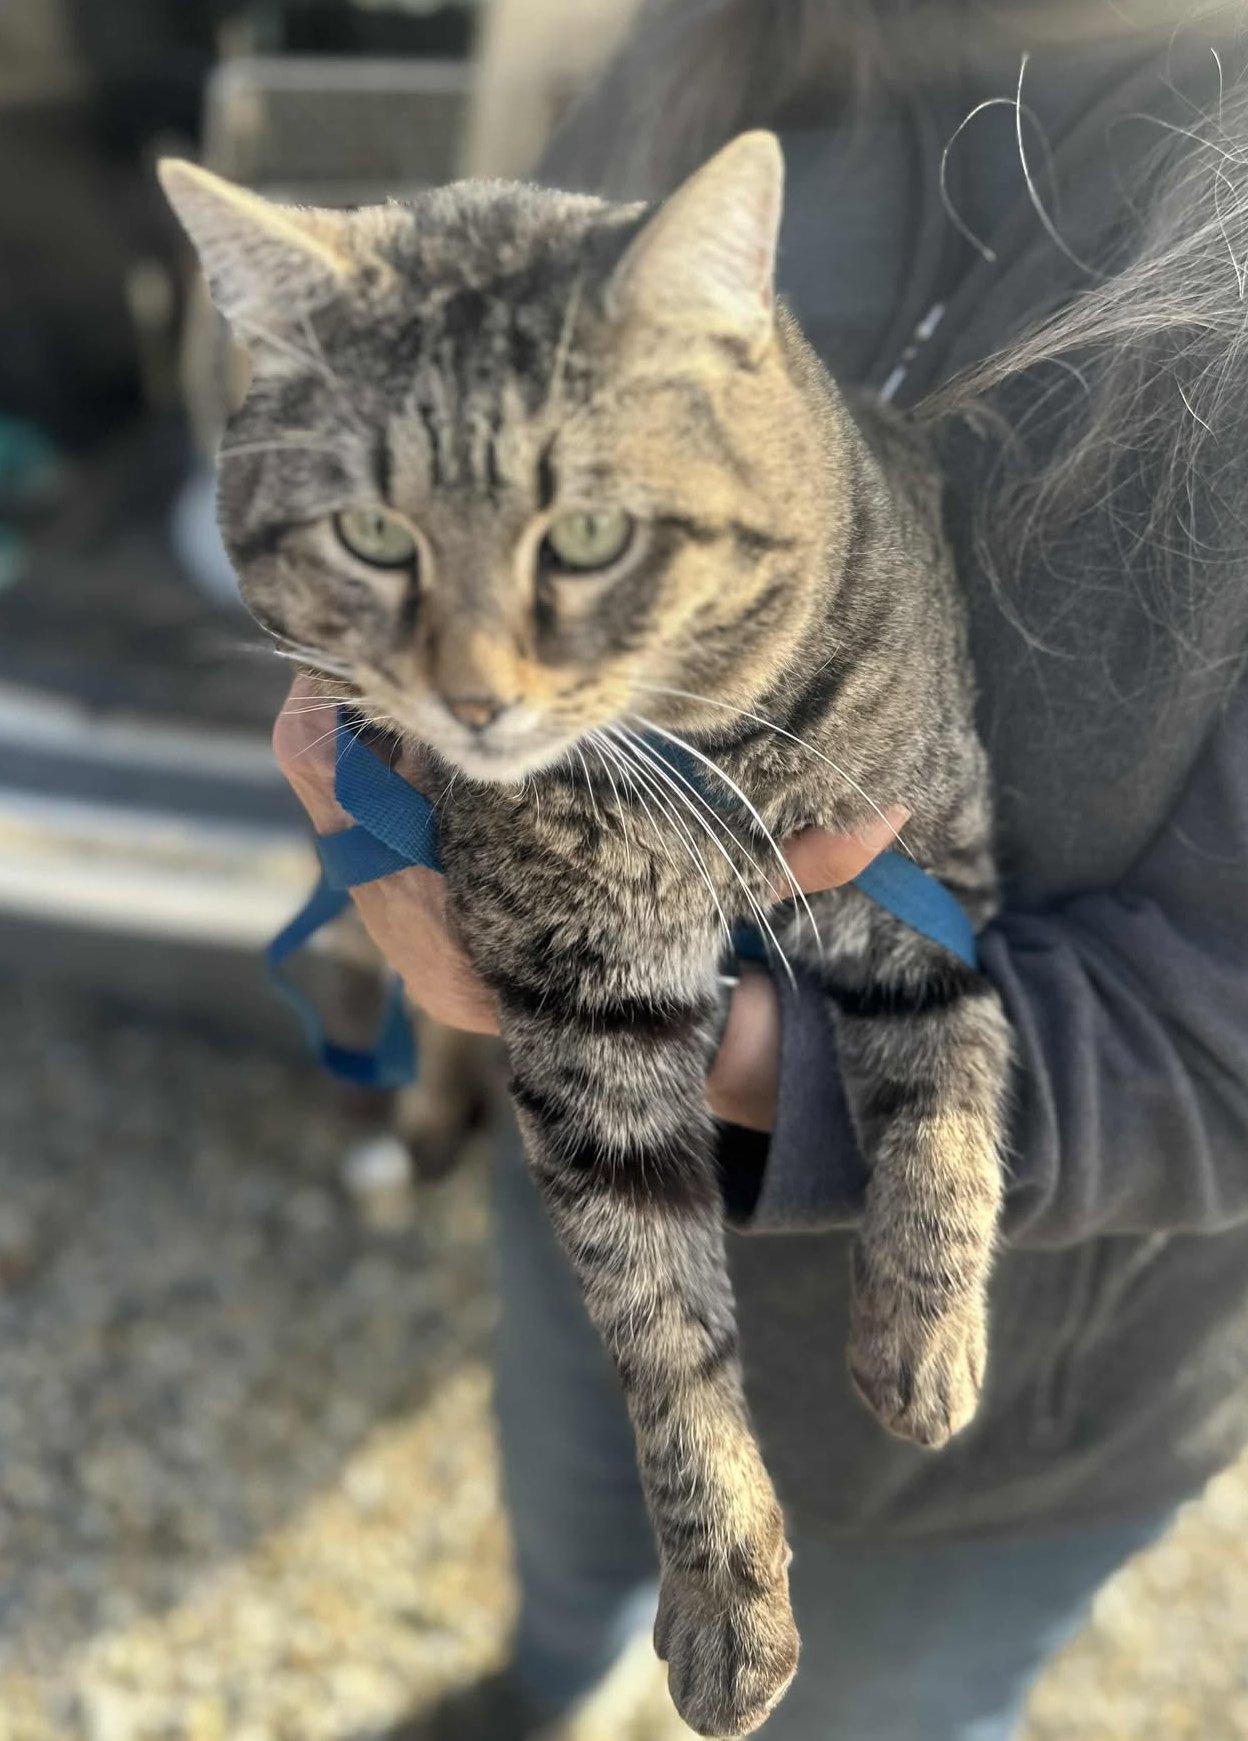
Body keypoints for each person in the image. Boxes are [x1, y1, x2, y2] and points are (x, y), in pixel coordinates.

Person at [274, 3, 1248, 1735]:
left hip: (1020, 1409)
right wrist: (368, 769)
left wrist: (681, 1051)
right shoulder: (727, 31)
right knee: (565, 1572)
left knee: (875, 1706)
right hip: (580, 1201)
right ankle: (533, 1689)